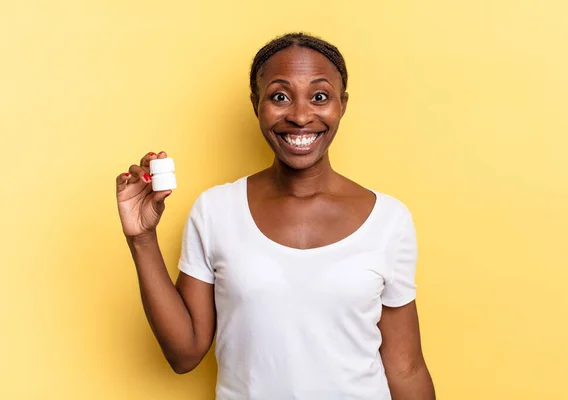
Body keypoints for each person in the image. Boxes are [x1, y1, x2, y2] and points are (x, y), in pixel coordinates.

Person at [116, 32, 435, 400]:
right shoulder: (215, 210)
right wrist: (142, 239)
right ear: (256, 104)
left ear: (342, 104)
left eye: (319, 96)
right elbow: (184, 354)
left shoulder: (389, 220)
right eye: (280, 96)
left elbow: (406, 367)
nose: (300, 116)